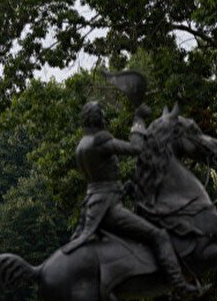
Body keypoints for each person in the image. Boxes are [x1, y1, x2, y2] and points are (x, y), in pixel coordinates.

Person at [63, 101, 200, 297]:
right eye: (102, 114)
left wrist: (121, 188)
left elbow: (100, 180)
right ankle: (180, 286)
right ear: (97, 118)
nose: (105, 118)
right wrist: (138, 119)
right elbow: (136, 148)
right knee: (158, 235)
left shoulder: (81, 145)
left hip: (93, 204)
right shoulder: (99, 141)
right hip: (108, 207)